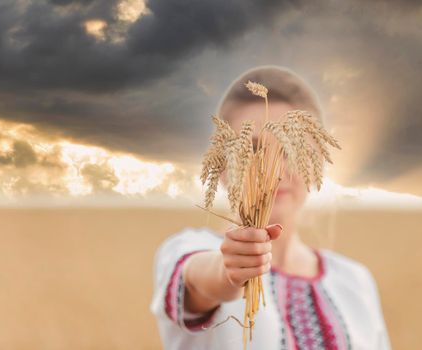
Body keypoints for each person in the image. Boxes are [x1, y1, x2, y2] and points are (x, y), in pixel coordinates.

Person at [150, 65, 392, 350]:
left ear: (317, 162)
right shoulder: (189, 249)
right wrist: (230, 271)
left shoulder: (354, 280)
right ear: (223, 165)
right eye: (252, 150)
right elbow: (202, 279)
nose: (274, 171)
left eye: (292, 150)